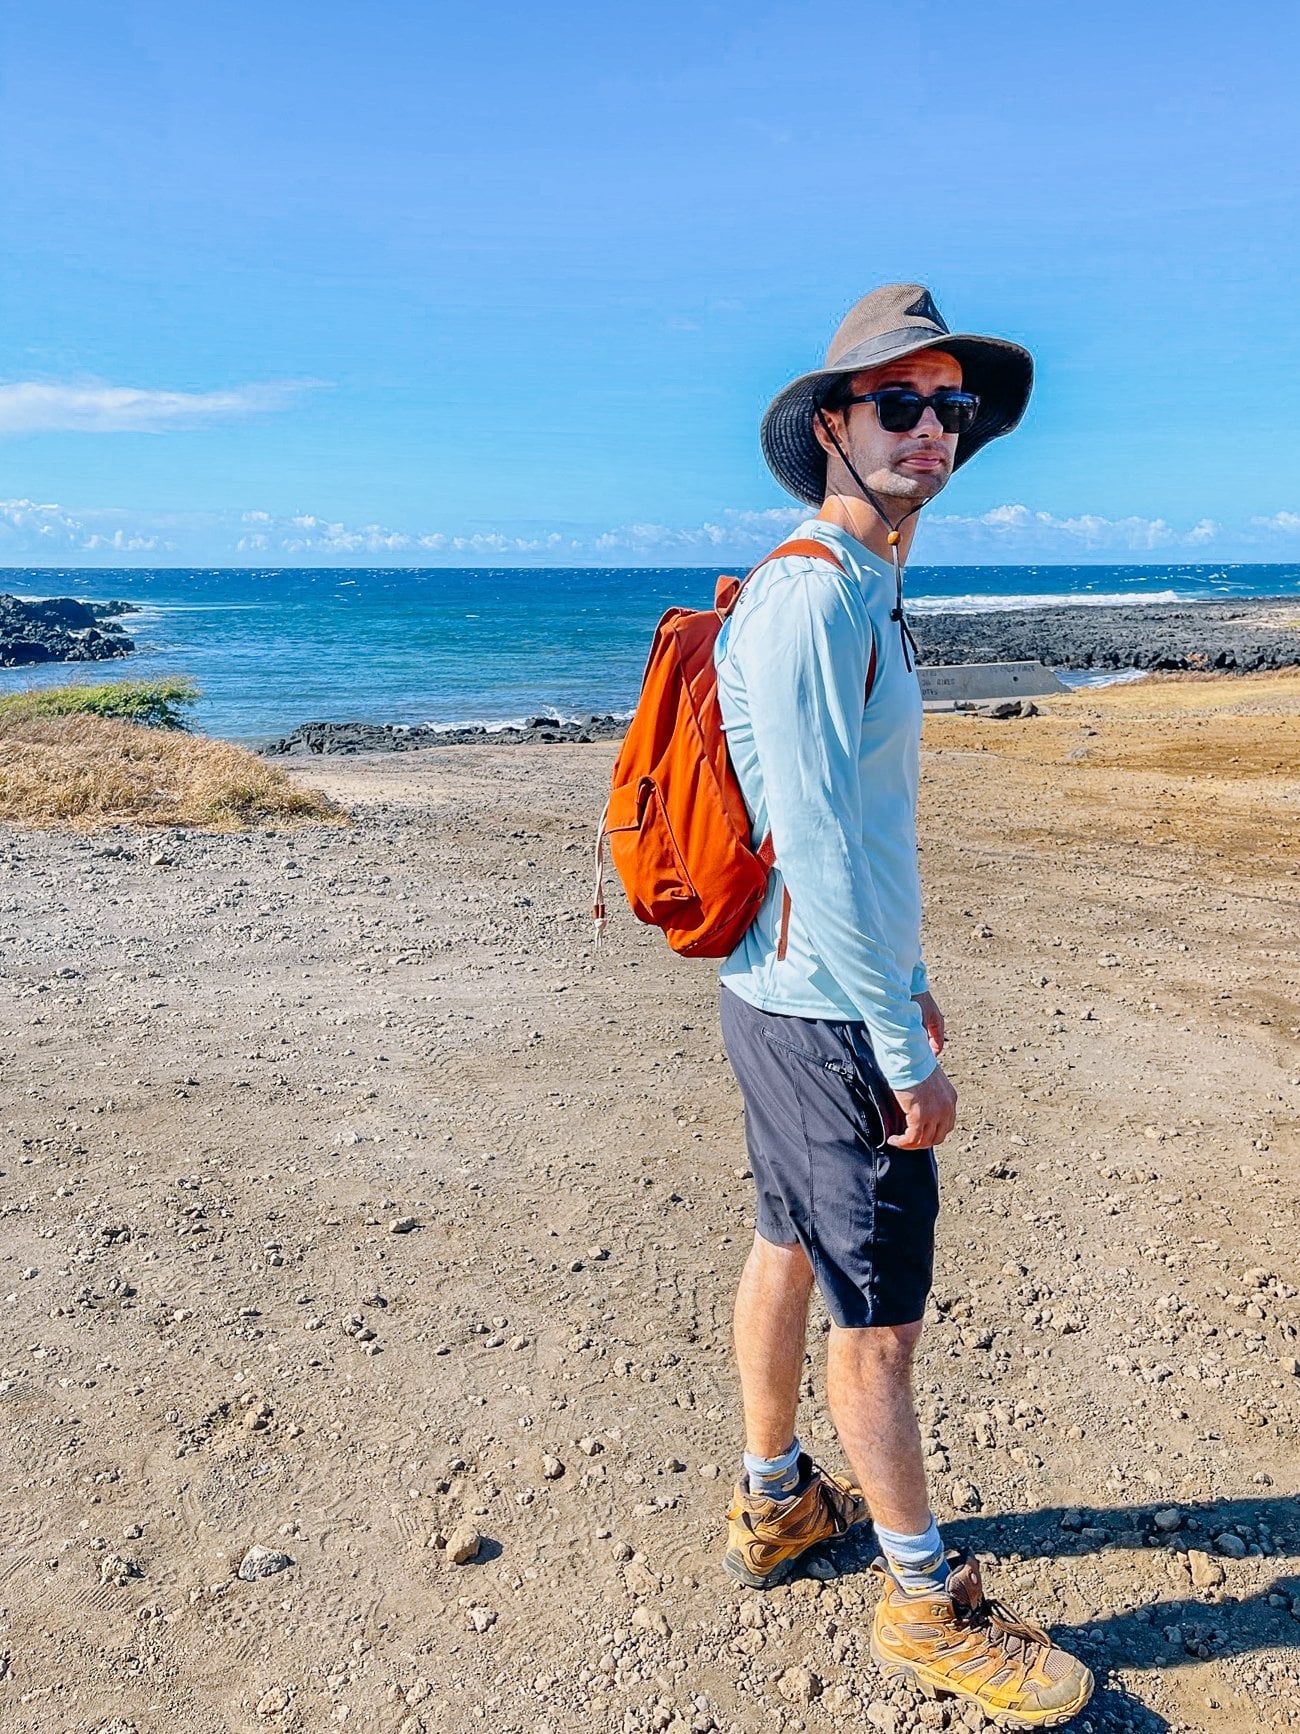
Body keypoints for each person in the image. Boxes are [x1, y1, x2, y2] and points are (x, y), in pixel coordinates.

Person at [713, 284, 1093, 1727]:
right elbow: (818, 841)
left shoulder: (854, 590)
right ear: (834, 425)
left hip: (786, 991)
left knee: (786, 1242)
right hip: (824, 1014)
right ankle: (925, 1603)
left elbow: (858, 840)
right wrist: (902, 1043)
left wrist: (905, 986)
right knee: (879, 1321)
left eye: (953, 406)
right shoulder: (815, 598)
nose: (935, 428)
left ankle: (775, 1504)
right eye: (900, 403)